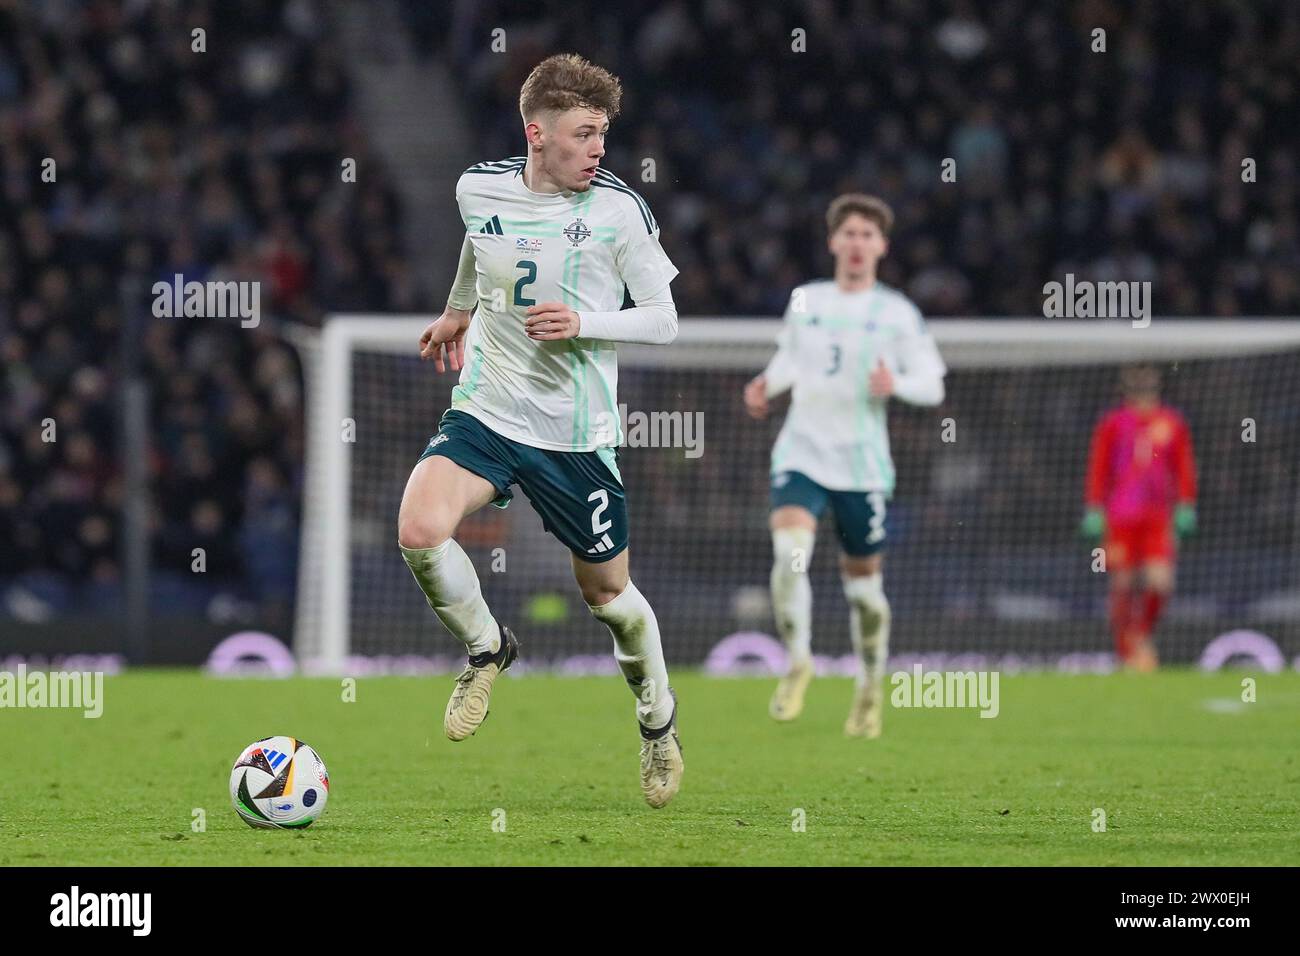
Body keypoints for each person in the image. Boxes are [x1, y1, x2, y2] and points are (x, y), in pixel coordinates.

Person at [396, 53, 683, 807]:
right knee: (421, 528)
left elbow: (664, 319)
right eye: (585, 134)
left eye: (603, 136)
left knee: (607, 595)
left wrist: (585, 322)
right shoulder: (477, 186)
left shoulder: (618, 211)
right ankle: (488, 649)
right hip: (489, 407)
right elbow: (480, 237)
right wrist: (460, 308)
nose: (598, 149)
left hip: (575, 434)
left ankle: (657, 721)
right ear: (537, 133)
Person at [744, 194, 946, 737]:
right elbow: (790, 356)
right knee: (790, 555)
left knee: (866, 597)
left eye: (868, 235)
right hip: (803, 452)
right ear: (834, 241)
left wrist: (897, 384)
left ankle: (870, 686)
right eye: (849, 233)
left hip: (861, 465)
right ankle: (799, 660)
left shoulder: (897, 312)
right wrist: (769, 382)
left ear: (881, 245)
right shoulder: (806, 299)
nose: (857, 243)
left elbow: (933, 382)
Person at [1082, 364, 1198, 671]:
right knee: (1123, 582)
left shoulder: (1172, 423)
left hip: (1158, 516)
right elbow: (1099, 465)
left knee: (1160, 583)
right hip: (1120, 516)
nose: (1143, 388)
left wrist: (1186, 503)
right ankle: (1128, 653)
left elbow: (1183, 465)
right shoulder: (1113, 423)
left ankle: (1140, 637)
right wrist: (1094, 506)